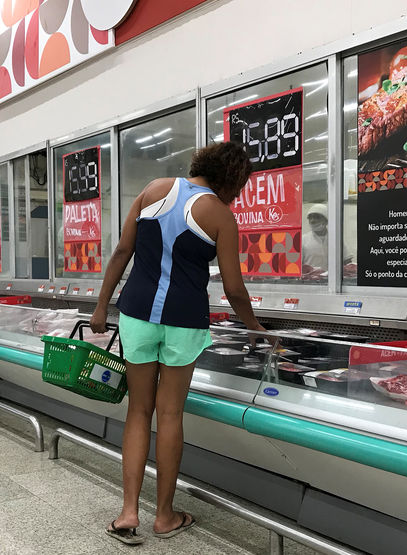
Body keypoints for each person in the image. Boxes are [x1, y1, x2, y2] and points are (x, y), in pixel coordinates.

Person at [90, 142, 271, 545]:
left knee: (138, 411)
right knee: (169, 416)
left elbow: (122, 252)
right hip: (184, 321)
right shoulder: (221, 216)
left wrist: (101, 307)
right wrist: (255, 327)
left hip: (137, 314)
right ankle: (165, 516)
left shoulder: (153, 189)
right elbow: (235, 290)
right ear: (232, 181)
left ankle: (128, 512)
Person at [301, 203, 353, 272]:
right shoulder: (303, 240)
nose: (312, 220)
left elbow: (347, 262)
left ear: (326, 221)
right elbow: (296, 267)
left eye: (317, 217)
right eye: (310, 217)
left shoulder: (336, 239)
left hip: (333, 281)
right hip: (310, 281)